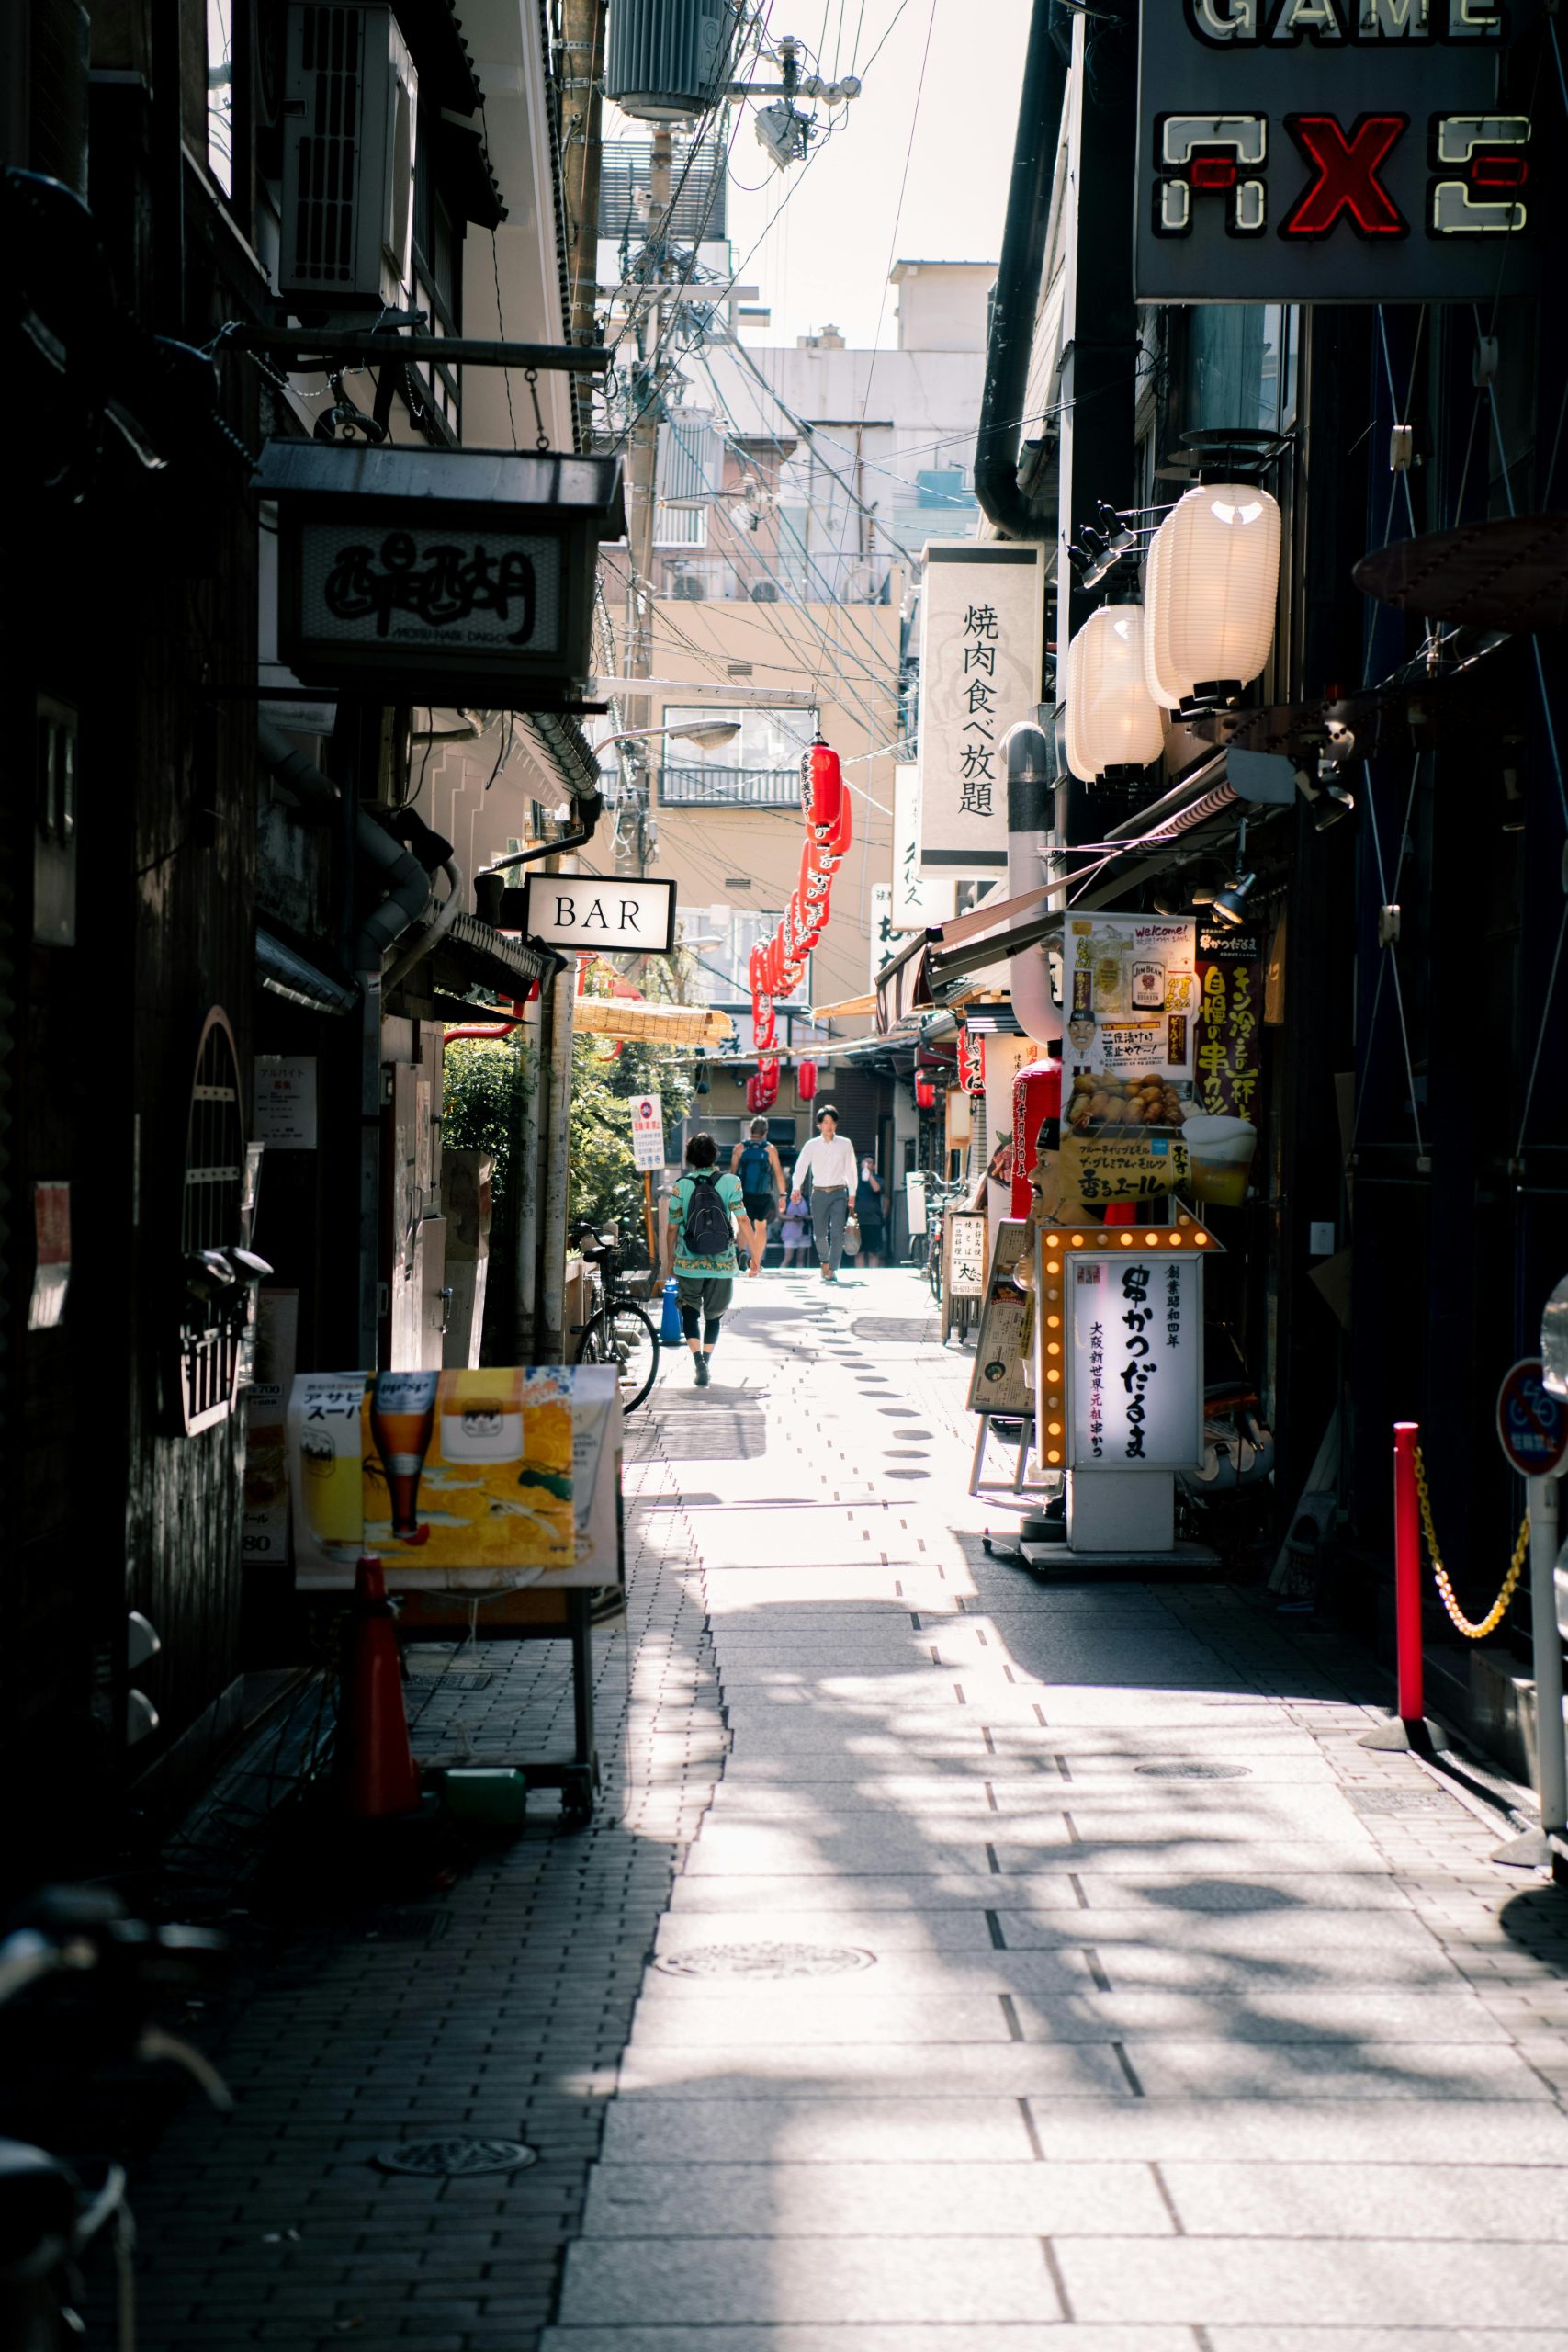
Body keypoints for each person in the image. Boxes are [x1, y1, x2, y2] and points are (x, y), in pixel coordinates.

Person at [665, 1132, 753, 1385]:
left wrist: (670, 1259)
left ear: (690, 1158)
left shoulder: (681, 1186)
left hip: (688, 1261)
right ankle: (707, 1359)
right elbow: (743, 1219)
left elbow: (672, 1228)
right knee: (713, 1316)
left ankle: (697, 1362)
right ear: (715, 1155)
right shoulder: (731, 1182)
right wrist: (755, 1256)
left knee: (690, 1312)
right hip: (722, 1262)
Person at [789, 1102, 859, 1283]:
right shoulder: (811, 1145)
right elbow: (801, 1166)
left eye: (832, 1122)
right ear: (819, 1125)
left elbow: (851, 1169)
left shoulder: (845, 1144)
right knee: (819, 1233)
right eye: (825, 1122)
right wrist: (796, 1187)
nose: (829, 1126)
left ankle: (832, 1269)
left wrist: (852, 1193)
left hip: (839, 1193)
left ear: (836, 1124)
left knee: (837, 1232)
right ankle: (824, 1262)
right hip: (818, 1193)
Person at [730, 1116, 786, 1279]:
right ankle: (756, 1261)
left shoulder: (740, 1148)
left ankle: (741, 1252)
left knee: (743, 1224)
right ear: (766, 1132)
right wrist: (782, 1195)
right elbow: (778, 1174)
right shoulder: (770, 1149)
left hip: (744, 1194)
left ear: (750, 1130)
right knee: (760, 1227)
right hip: (763, 1195)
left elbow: (733, 1173)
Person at [855, 1155, 886, 1266]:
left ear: (874, 1166)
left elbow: (877, 1188)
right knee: (859, 1253)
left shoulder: (878, 1179)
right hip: (858, 1221)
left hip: (874, 1221)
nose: (867, 1165)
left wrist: (869, 1175)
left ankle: (873, 1276)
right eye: (865, 1163)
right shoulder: (856, 1181)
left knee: (873, 1252)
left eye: (870, 1163)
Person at [779, 1192, 812, 1269]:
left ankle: (800, 1278)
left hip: (804, 1231)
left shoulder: (807, 1198)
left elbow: (813, 1215)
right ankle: (780, 1276)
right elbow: (779, 1215)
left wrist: (805, 1218)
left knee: (801, 1258)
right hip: (790, 1232)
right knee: (788, 1257)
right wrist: (793, 1218)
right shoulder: (786, 1199)